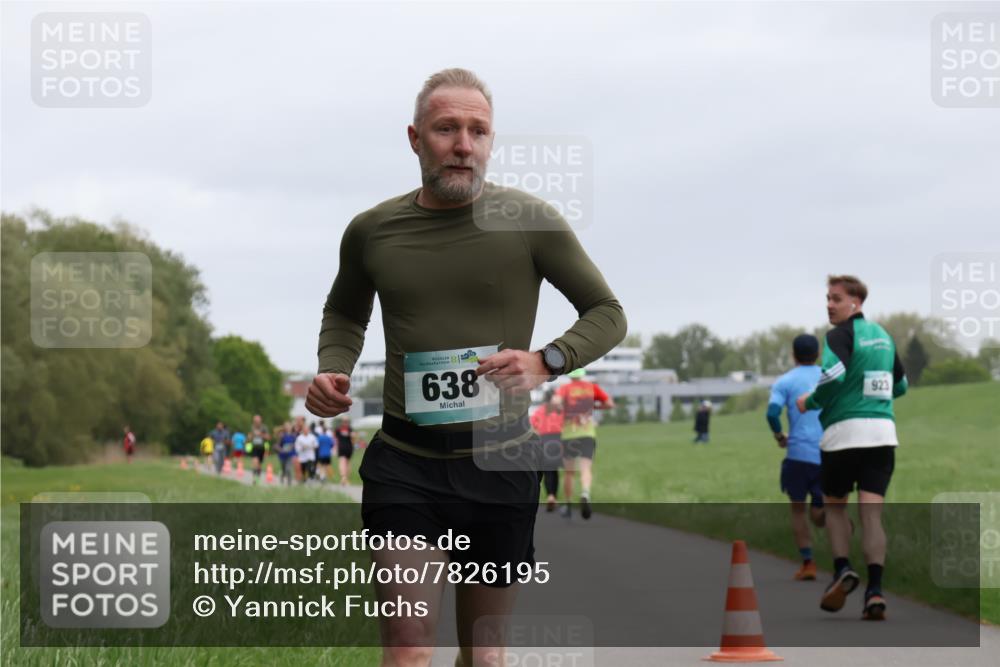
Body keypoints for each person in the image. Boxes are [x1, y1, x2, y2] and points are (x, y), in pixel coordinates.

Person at [304, 68, 626, 667]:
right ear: (414, 137)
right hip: (406, 462)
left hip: (500, 460)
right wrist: (332, 368)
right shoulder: (372, 230)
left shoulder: (528, 220)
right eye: (447, 128)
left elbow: (606, 312)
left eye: (478, 131)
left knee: (485, 654)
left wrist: (546, 360)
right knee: (407, 646)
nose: (463, 144)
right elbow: (345, 312)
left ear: (491, 142)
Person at [796, 275, 907, 621]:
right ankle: (875, 591)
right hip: (882, 436)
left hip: (843, 435)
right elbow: (900, 385)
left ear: (855, 303)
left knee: (835, 508)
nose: (829, 304)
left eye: (836, 299)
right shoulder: (885, 337)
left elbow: (833, 375)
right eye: (828, 298)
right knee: (872, 516)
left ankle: (843, 569)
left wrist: (809, 400)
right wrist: (872, 397)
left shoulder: (838, 335)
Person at [767, 334, 826, 580]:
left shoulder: (785, 381)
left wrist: (780, 436)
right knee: (823, 512)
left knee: (798, 511)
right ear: (818, 354)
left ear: (793, 355)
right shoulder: (829, 377)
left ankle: (808, 563)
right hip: (829, 452)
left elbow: (771, 414)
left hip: (798, 455)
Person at [554, 368, 614, 520]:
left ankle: (567, 505)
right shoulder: (591, 387)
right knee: (586, 468)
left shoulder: (564, 389)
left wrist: (563, 409)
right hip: (587, 434)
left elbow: (555, 403)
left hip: (569, 435)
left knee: (569, 472)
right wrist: (595, 407)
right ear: (582, 374)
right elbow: (609, 404)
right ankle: (585, 493)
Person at [530, 390, 565, 512]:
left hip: (543, 440)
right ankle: (552, 496)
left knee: (547, 470)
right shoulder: (558, 409)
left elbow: (532, 425)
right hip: (557, 440)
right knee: (553, 470)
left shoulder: (540, 410)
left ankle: (550, 496)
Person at [334, 416, 357, 486]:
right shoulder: (350, 429)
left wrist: (335, 448)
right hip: (349, 448)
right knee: (347, 463)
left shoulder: (338, 429)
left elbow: (336, 439)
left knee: (342, 462)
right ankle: (346, 479)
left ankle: (343, 477)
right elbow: (353, 439)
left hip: (342, 448)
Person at [248, 414, 270, 483]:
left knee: (259, 464)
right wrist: (250, 437)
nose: (256, 422)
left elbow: (268, 437)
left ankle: (258, 476)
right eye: (255, 421)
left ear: (260, 421)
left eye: (258, 421)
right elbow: (249, 437)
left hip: (262, 448)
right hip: (254, 447)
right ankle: (254, 478)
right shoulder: (252, 427)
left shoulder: (264, 428)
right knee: (255, 462)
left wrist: (260, 434)